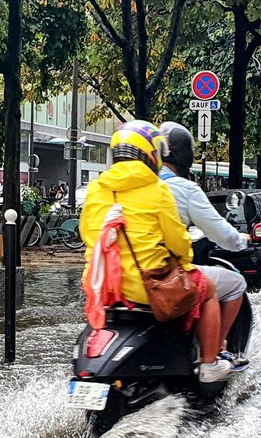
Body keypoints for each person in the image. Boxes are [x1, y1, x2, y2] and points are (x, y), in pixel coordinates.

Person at [81, 121, 237, 382]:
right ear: (151, 153)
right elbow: (176, 239)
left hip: (103, 286)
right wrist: (185, 262)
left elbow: (87, 234)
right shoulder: (157, 189)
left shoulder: (97, 189)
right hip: (146, 285)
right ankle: (210, 363)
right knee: (207, 290)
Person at [158, 121, 250, 367]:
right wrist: (241, 241)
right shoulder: (184, 189)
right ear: (185, 154)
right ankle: (214, 355)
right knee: (235, 284)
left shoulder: (129, 187)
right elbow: (222, 234)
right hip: (165, 274)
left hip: (121, 276)